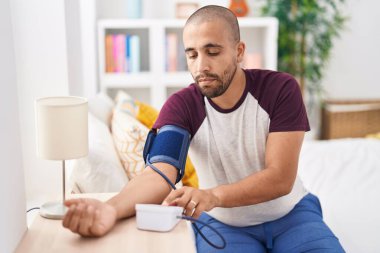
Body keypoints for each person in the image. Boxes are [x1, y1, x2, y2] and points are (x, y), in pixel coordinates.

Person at [63, 5, 344, 252]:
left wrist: (212, 195)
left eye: (212, 51)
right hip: (224, 224)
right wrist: (109, 210)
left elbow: (280, 177)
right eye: (192, 54)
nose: (201, 66)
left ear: (239, 51)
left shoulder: (280, 89)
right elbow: (160, 173)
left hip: (292, 215)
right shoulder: (182, 105)